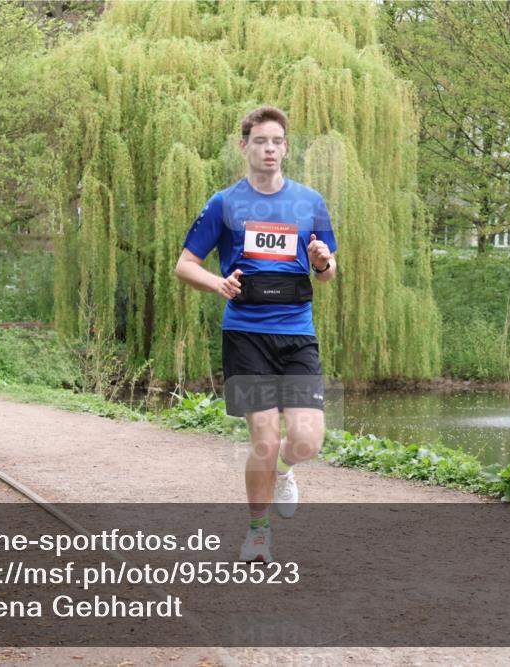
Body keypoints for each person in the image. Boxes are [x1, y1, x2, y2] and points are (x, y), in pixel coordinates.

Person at [174, 106, 337, 563]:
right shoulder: (224, 203)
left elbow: (326, 274)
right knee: (264, 438)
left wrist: (323, 260)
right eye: (260, 141)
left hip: (297, 334)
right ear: (243, 146)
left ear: (286, 147)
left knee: (306, 441)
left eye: (277, 141)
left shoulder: (310, 202)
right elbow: (185, 264)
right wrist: (218, 283)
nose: (269, 149)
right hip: (246, 334)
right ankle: (258, 534)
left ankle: (285, 471)